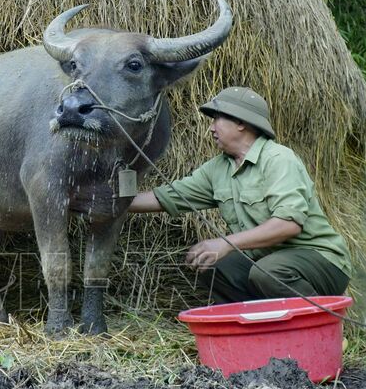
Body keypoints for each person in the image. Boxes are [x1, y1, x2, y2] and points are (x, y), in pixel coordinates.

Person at [128, 87, 351, 304]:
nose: (211, 128)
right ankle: (259, 332)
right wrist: (111, 200)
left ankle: (322, 330)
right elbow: (163, 198)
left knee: (267, 272)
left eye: (217, 119)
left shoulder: (279, 159)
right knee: (214, 267)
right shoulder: (217, 168)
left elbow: (288, 225)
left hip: (320, 261)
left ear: (241, 122)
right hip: (265, 262)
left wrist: (225, 243)